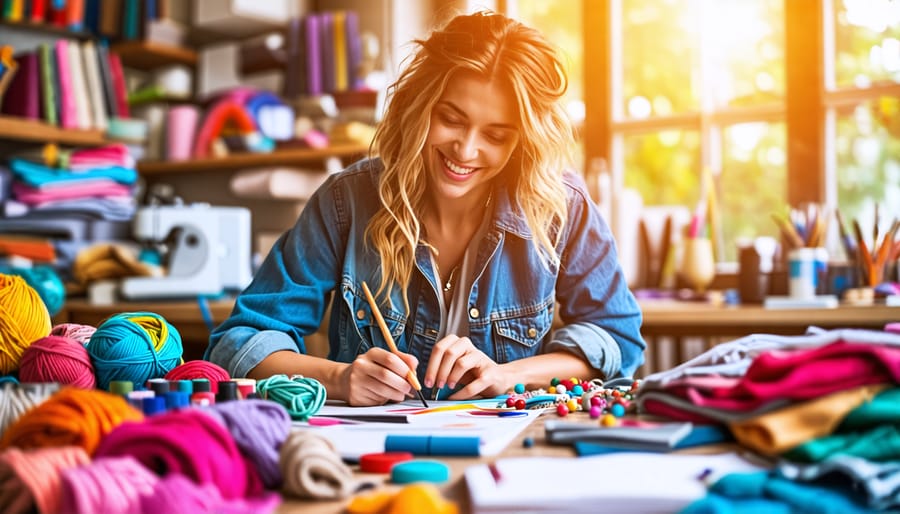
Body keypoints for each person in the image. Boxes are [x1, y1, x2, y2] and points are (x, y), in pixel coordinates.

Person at [206, 11, 645, 406]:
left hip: (509, 455)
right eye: (451, 119)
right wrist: (339, 379)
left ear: (523, 140)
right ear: (419, 106)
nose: (466, 149)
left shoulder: (561, 207)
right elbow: (236, 344)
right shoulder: (347, 201)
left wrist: (508, 375)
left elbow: (618, 340)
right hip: (372, 460)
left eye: (495, 135)